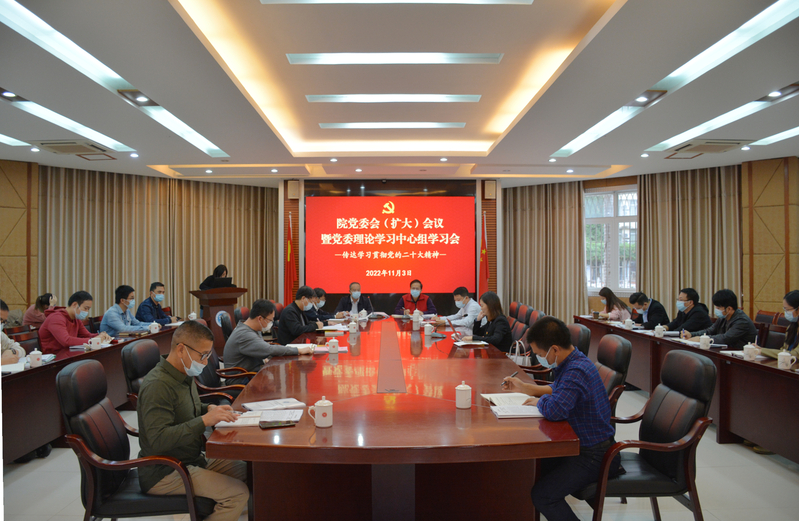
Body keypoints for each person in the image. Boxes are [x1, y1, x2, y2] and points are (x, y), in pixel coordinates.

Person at [502, 316, 622, 520]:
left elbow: (555, 410)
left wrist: (540, 401)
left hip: (594, 455)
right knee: (528, 469)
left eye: (540, 354)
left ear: (555, 349)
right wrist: (527, 388)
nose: (539, 358)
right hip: (581, 445)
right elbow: (559, 389)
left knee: (543, 496)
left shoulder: (576, 371)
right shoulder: (573, 360)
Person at [137, 321, 249, 521]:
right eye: (202, 355)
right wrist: (204, 420)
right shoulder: (158, 385)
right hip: (166, 471)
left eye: (208, 355)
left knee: (249, 471)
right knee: (237, 494)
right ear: (181, 349)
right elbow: (158, 440)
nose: (205, 363)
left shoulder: (182, 373)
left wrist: (209, 409)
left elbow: (186, 410)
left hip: (191, 459)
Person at [224, 299, 313, 385]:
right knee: (280, 382)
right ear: (260, 319)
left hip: (250, 372)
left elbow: (261, 348)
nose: (271, 323)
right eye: (270, 320)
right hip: (241, 379)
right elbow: (268, 349)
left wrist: (264, 359)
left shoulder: (253, 328)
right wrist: (298, 350)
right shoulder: (244, 334)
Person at [39, 291, 111, 355]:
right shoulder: (56, 318)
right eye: (85, 308)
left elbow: (86, 335)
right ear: (74, 304)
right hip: (54, 359)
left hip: (69, 354)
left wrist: (101, 335)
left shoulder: (76, 319)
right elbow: (66, 341)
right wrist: (92, 341)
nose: (86, 312)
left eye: (88, 309)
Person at [683, 289, 756, 350]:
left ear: (729, 309)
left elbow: (726, 338)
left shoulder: (742, 321)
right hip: (726, 351)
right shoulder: (723, 317)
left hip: (741, 355)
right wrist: (691, 334)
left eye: (718, 308)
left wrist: (701, 339)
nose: (716, 310)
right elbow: (710, 331)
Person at [761, 290, 799, 360]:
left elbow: (795, 354)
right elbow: (784, 350)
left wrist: (761, 351)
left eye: (787, 309)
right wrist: (759, 350)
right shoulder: (792, 327)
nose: (785, 313)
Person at [1, 300, 25, 364]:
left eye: (4, 321)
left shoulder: (1, 335)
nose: (1, 324)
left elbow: (21, 349)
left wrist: (12, 351)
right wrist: (3, 361)